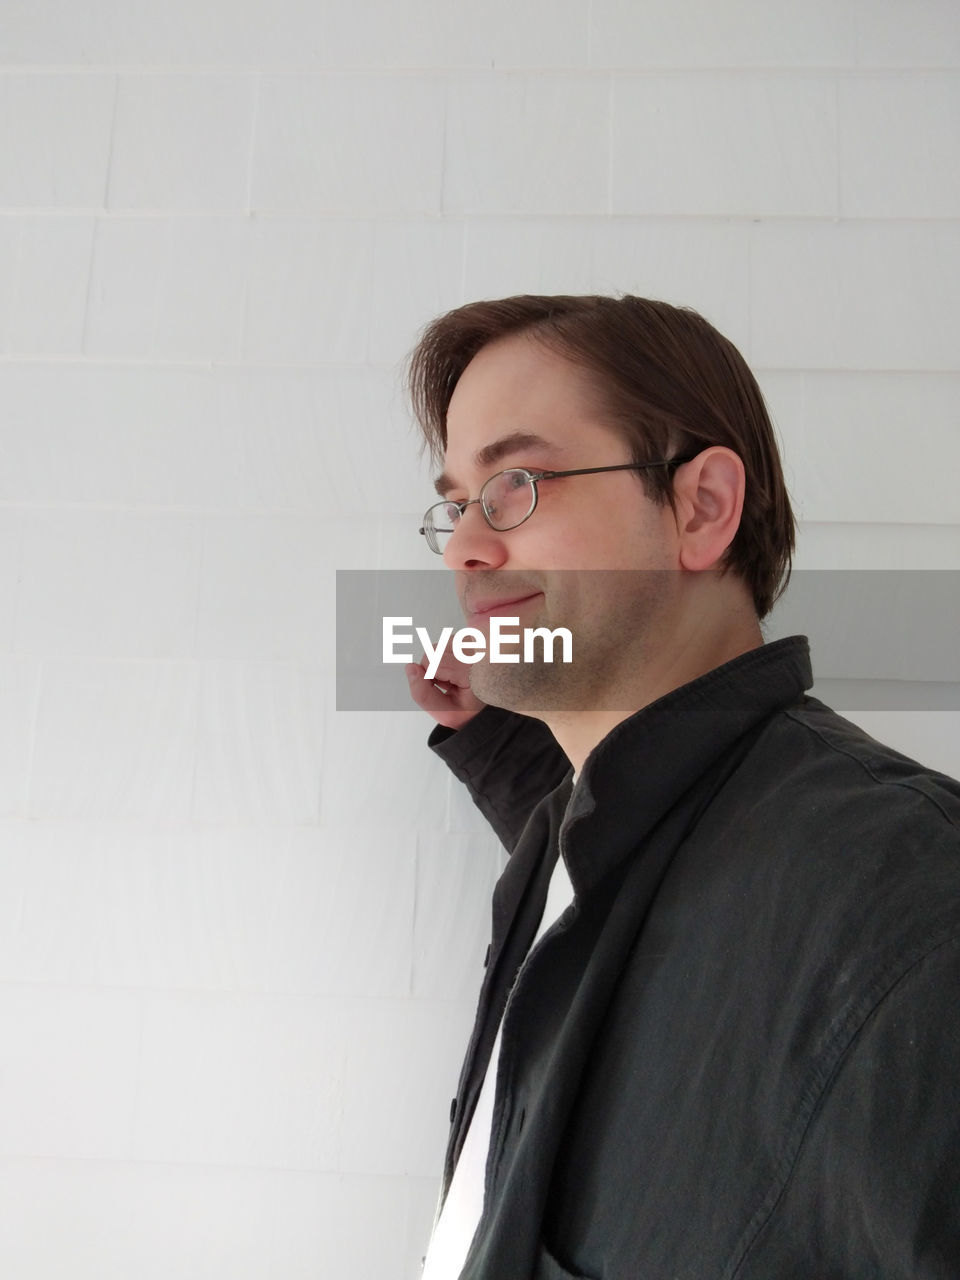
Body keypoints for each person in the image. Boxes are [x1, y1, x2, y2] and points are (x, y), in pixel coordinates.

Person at [402, 295, 960, 1279]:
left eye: (516, 483)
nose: (463, 548)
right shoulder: (569, 836)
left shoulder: (914, 893)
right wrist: (500, 746)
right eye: (456, 505)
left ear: (700, 507)